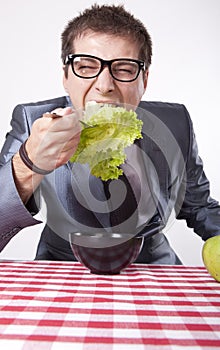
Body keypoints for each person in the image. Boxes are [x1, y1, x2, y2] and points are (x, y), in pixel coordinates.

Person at [0, 4, 219, 263]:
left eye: (124, 69)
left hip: (153, 270)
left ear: (144, 81)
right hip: (64, 271)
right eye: (86, 67)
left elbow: (200, 207)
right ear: (66, 76)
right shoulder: (33, 121)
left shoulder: (174, 123)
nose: (104, 86)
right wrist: (28, 162)